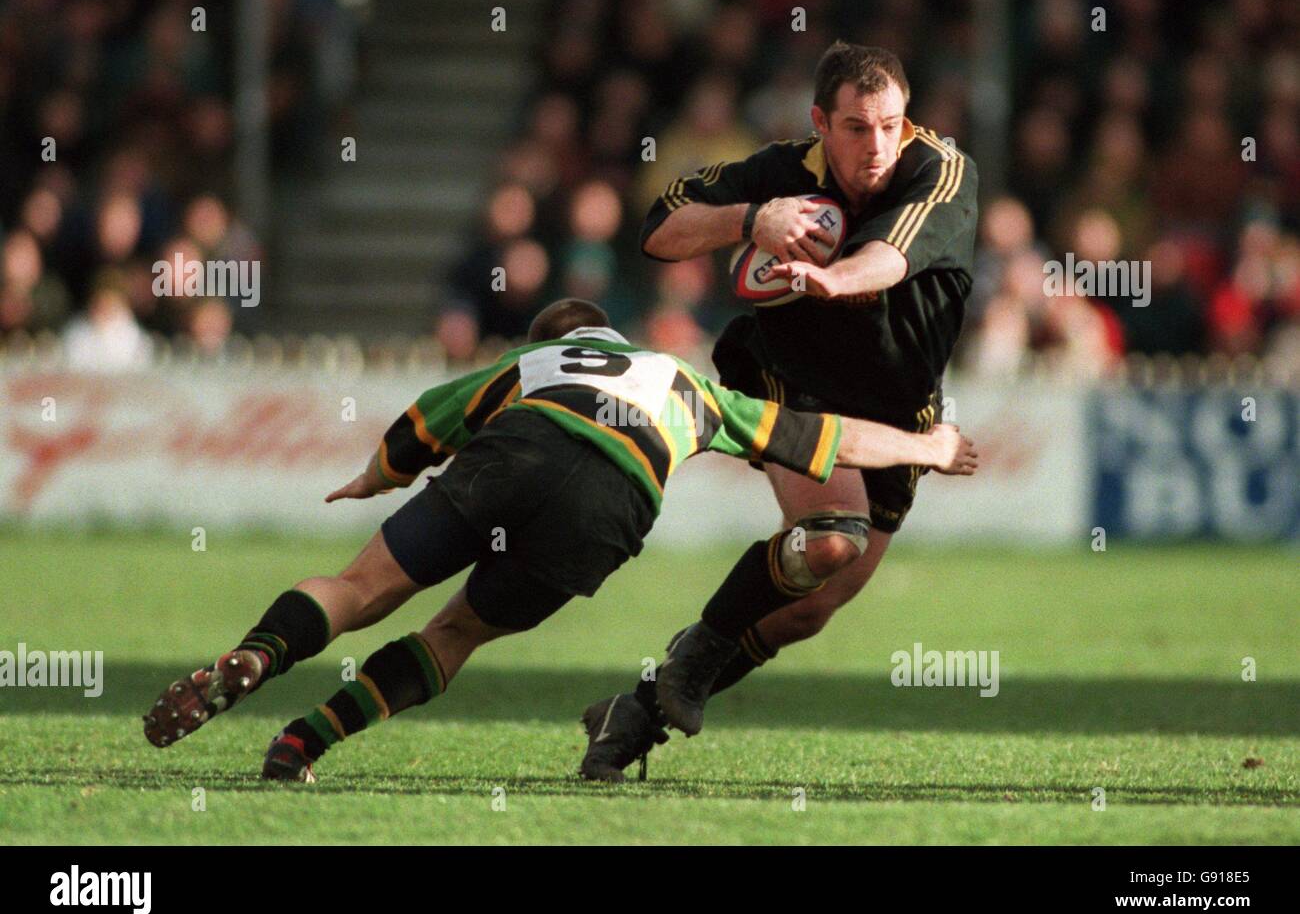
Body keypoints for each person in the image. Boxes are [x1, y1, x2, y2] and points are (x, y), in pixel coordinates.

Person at [141, 299, 978, 782]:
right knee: (454, 634)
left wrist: (377, 475)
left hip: (521, 447)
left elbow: (422, 425)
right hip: (616, 498)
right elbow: (816, 435)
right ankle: (303, 740)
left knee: (358, 587)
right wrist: (925, 446)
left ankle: (255, 656)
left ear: (554, 339)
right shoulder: (682, 379)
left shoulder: (528, 366)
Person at [579, 40, 980, 780]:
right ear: (820, 123)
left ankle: (633, 712)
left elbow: (890, 258)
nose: (878, 145)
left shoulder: (941, 170)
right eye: (858, 127)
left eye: (891, 123)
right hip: (785, 376)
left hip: (898, 411)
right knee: (831, 538)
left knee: (811, 606)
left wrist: (833, 280)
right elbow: (661, 230)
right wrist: (752, 220)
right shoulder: (781, 172)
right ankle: (697, 655)